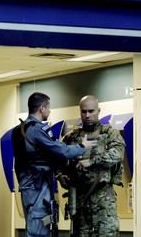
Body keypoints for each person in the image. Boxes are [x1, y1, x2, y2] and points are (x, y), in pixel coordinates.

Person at [13, 92, 97, 237]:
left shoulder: (19, 130)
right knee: (38, 229)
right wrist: (82, 147)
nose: (50, 111)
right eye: (49, 107)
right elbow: (60, 151)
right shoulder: (36, 129)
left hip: (29, 186)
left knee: (35, 224)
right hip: (37, 187)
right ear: (42, 108)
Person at [59, 95, 125, 236]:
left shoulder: (110, 134)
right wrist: (60, 175)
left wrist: (91, 161)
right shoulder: (71, 136)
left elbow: (118, 153)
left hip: (103, 200)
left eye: (91, 111)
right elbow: (57, 156)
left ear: (98, 110)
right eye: (84, 112)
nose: (87, 115)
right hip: (80, 200)